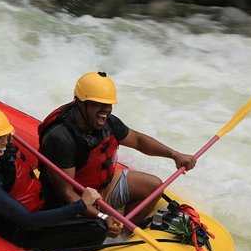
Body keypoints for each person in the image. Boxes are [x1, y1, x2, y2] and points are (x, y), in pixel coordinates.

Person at [0, 104, 121, 251]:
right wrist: (81, 205)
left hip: (37, 204)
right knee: (96, 228)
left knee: (73, 206)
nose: (5, 143)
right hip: (21, 229)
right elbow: (28, 220)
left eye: (6, 136)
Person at [38, 71, 197, 225]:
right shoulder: (60, 137)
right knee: (95, 229)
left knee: (153, 186)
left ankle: (122, 233)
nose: (106, 110)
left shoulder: (107, 122)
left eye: (109, 104)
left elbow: (138, 141)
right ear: (80, 102)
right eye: (98, 104)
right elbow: (66, 194)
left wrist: (174, 155)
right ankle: (103, 229)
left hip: (102, 187)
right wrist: (102, 216)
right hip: (75, 201)